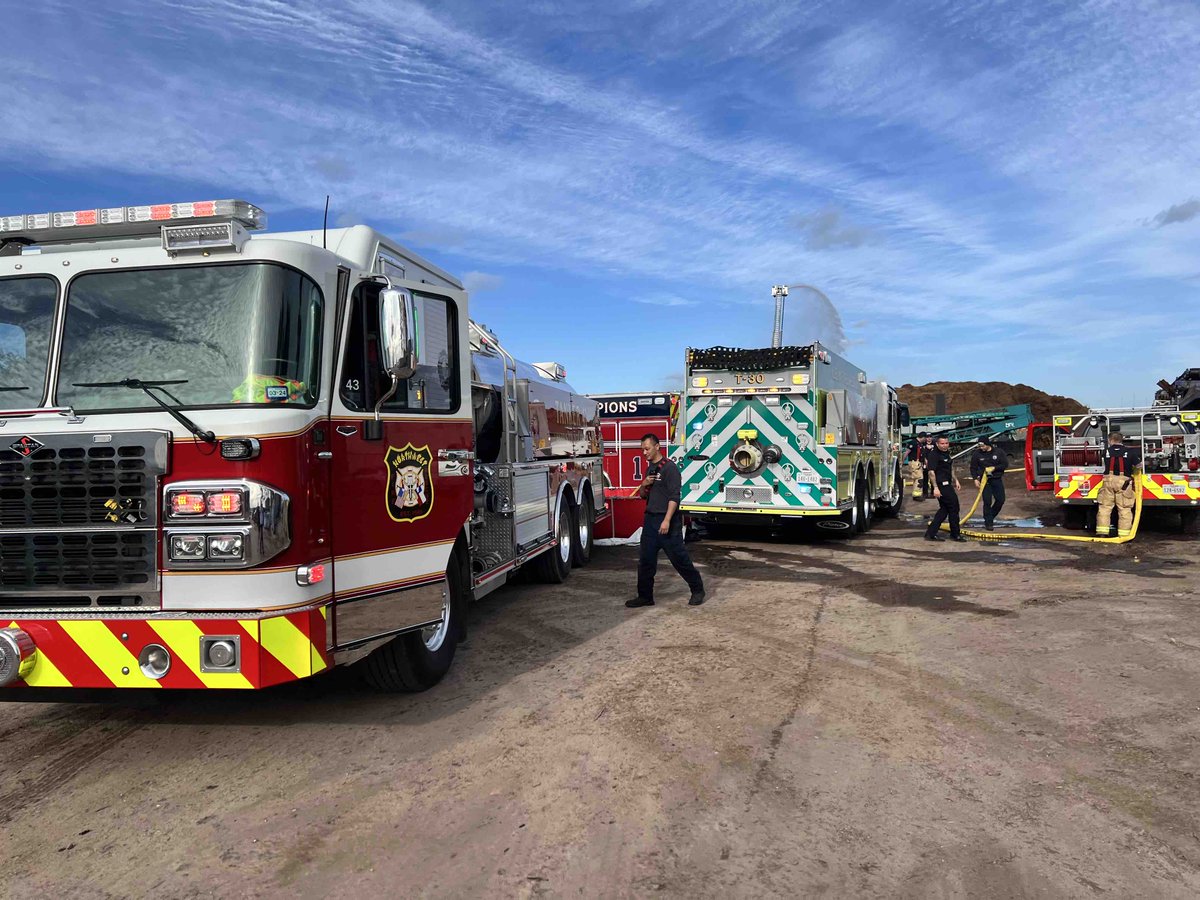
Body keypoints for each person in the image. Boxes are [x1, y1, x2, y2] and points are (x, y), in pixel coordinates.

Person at [626, 434, 706, 608]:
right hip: (650, 521)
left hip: (667, 522)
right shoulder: (649, 470)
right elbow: (641, 495)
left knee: (679, 559)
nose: (644, 453)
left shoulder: (670, 469)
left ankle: (697, 589)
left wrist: (667, 520)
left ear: (657, 446)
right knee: (645, 562)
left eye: (647, 449)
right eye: (642, 450)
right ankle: (645, 596)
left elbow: (674, 497)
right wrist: (644, 483)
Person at [1096, 432, 1141, 537]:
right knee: (1124, 508)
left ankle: (1102, 532)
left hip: (1108, 481)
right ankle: (1124, 535)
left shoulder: (1106, 452)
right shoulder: (1130, 452)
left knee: (1105, 507)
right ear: (1121, 440)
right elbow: (1139, 466)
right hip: (1124, 483)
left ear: (1110, 440)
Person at [924, 435, 967, 542]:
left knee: (944, 509)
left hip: (948, 483)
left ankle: (931, 533)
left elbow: (950, 468)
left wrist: (956, 480)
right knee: (954, 507)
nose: (945, 445)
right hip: (941, 485)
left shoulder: (946, 453)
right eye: (942, 443)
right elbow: (931, 472)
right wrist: (935, 488)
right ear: (937, 444)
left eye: (946, 443)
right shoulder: (934, 455)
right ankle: (955, 534)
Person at [969, 437, 1009, 530]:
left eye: (983, 446)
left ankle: (990, 516)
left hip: (996, 479)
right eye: (980, 446)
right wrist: (975, 479)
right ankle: (988, 523)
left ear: (988, 444)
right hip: (984, 481)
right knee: (987, 501)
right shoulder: (977, 454)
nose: (981, 448)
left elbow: (1005, 465)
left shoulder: (998, 452)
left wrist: (994, 468)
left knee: (1000, 500)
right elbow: (973, 467)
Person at [906, 432, 929, 501]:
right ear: (923, 437)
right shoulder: (913, 443)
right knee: (919, 479)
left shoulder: (920, 444)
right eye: (925, 439)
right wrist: (901, 462)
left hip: (918, 463)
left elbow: (923, 455)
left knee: (917, 479)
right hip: (915, 462)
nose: (925, 440)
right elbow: (907, 452)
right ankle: (917, 495)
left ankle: (917, 494)